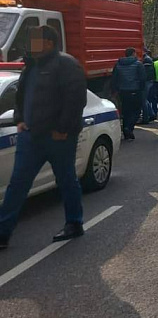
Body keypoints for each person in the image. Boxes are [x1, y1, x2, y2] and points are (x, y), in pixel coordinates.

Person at [0, 26, 87, 248]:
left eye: (35, 41)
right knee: (17, 184)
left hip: (58, 137)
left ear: (48, 42)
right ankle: (2, 233)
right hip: (30, 136)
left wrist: (63, 128)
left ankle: (74, 224)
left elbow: (75, 100)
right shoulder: (31, 66)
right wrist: (19, 118)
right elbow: (20, 96)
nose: (31, 45)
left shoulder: (67, 64)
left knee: (66, 180)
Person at [111, 47, 147, 140]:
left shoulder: (118, 64)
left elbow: (114, 78)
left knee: (126, 111)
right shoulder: (138, 64)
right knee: (136, 111)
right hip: (135, 90)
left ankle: (126, 130)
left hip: (123, 91)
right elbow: (143, 78)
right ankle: (129, 128)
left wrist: (115, 90)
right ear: (134, 53)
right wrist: (141, 88)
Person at [140, 48, 157, 124]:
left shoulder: (146, 60)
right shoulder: (147, 59)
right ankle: (151, 114)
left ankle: (146, 117)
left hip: (147, 81)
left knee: (143, 99)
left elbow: (145, 73)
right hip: (149, 81)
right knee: (145, 99)